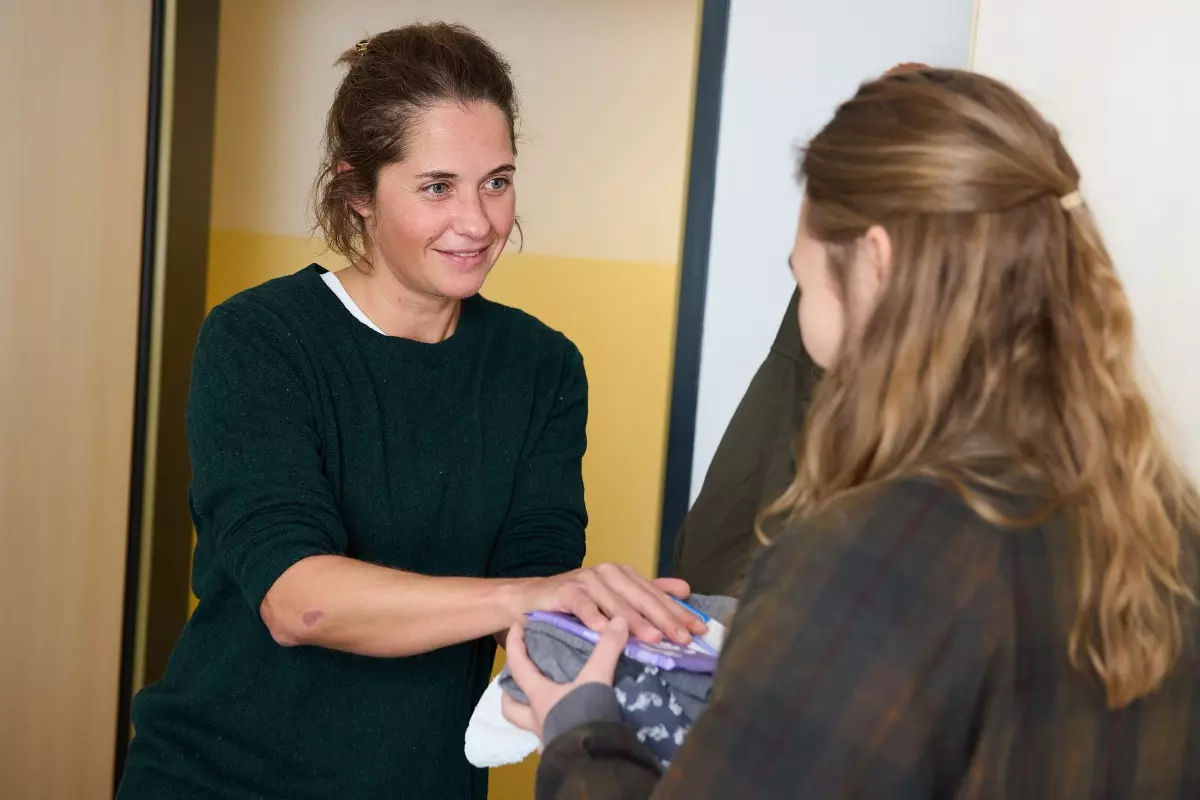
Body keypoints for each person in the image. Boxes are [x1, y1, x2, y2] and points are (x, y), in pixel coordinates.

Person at [503, 67, 1200, 798]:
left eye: (804, 280)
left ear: (876, 261)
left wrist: (581, 734)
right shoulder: (1163, 524)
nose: (804, 313)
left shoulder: (873, 555)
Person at [117, 23, 703, 800]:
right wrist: (533, 595)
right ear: (357, 189)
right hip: (223, 778)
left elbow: (531, 592)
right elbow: (300, 601)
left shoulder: (542, 366)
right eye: (437, 187)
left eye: (497, 180)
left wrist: (632, 625)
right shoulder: (258, 340)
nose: (478, 221)